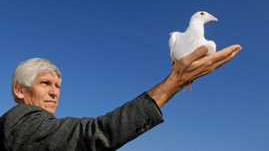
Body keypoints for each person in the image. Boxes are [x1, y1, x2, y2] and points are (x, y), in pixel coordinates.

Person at [0, 44, 242, 151]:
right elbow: (95, 134)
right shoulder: (21, 120)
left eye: (58, 86)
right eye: (45, 83)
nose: (54, 92)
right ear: (19, 90)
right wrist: (173, 83)